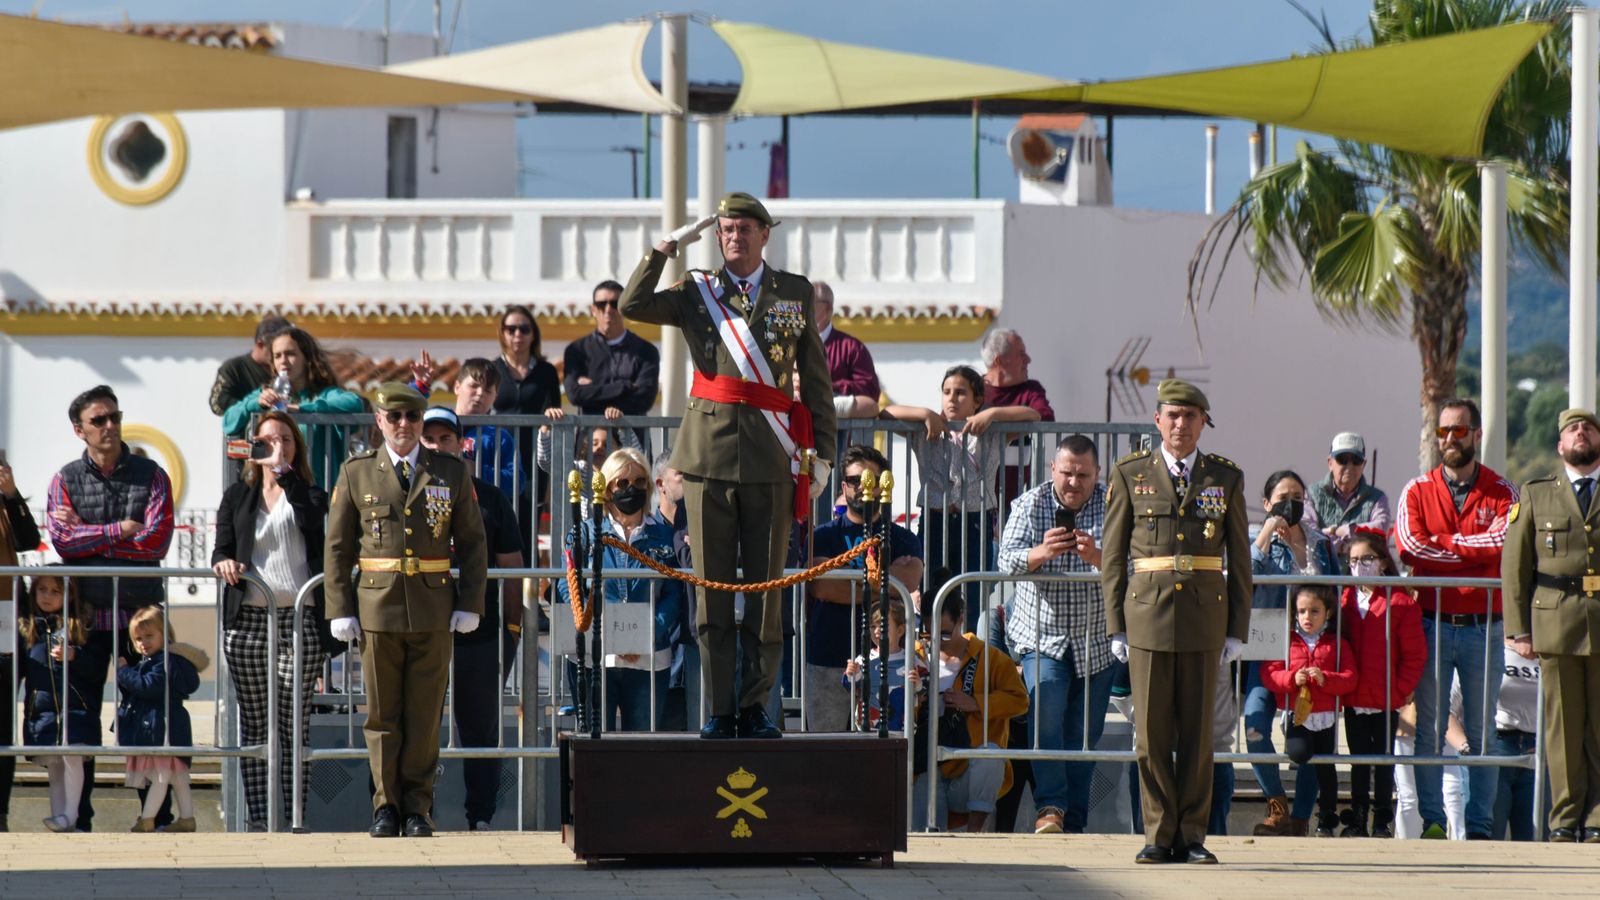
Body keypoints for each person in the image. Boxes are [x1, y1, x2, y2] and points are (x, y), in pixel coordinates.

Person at [621, 191, 836, 740]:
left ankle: (758, 707)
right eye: (725, 230)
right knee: (710, 594)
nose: (733, 237)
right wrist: (662, 250)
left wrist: (823, 456)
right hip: (708, 457)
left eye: (744, 228)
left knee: (766, 596)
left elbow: (814, 379)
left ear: (766, 234)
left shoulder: (793, 291)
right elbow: (632, 307)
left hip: (770, 456)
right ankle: (719, 709)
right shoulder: (697, 290)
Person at [324, 382, 488, 838]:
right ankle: (386, 806)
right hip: (377, 608)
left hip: (434, 607)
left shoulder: (450, 472)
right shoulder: (357, 472)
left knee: (424, 714)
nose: (403, 425)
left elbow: (474, 544)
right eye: (394, 417)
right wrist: (340, 606)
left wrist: (470, 602)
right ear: (379, 420)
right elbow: (337, 548)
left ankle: (418, 807)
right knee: (381, 716)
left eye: (412, 418)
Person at [1102, 378, 1250, 865]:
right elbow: (1114, 555)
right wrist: (1115, 625)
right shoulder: (1131, 473)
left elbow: (1240, 559)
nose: (1181, 424)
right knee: (1151, 736)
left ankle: (1192, 836)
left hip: (1204, 619)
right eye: (1173, 415)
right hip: (1146, 616)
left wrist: (1236, 628)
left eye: (1190, 416)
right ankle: (1157, 834)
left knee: (1198, 736)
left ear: (1203, 422)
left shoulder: (1224, 477)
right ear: (1158, 420)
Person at [47, 384, 174, 831]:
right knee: (80, 713)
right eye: (98, 420)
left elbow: (157, 540)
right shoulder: (64, 478)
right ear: (79, 430)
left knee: (147, 715)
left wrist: (91, 533)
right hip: (84, 619)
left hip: (139, 617)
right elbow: (62, 542)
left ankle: (156, 817)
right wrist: (120, 529)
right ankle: (77, 818)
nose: (109, 426)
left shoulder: (152, 473)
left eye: (114, 417)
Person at [1396, 397, 1516, 840]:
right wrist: (1471, 549)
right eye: (1442, 432)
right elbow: (1410, 547)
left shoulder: (1505, 492)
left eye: (1459, 431)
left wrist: (1445, 544)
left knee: (1484, 728)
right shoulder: (1416, 489)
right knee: (1428, 725)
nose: (1449, 439)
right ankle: (1432, 821)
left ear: (1476, 435)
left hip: (1486, 626)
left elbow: (1506, 543)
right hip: (1431, 622)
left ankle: (1480, 825)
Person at [211, 409, 336, 830]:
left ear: (296, 447)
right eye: (268, 439)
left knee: (292, 722)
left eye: (285, 439)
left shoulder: (310, 493)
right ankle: (261, 819)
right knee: (255, 725)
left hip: (298, 620)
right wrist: (223, 563)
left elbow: (313, 523)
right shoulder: (237, 496)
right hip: (248, 620)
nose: (277, 445)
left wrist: (284, 475)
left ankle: (295, 817)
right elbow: (220, 548)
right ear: (253, 447)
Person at [997, 434, 1113, 835]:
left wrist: (1098, 556)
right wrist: (1039, 554)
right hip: (1042, 636)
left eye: (1083, 474)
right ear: (1053, 470)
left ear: (1097, 474)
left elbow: (1137, 563)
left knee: (1084, 736)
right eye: (1067, 473)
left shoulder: (1115, 505)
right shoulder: (1029, 504)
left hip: (1095, 640)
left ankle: (1073, 822)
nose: (1074, 483)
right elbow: (1003, 561)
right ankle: (1051, 807)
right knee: (1045, 717)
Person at [418, 406, 526, 829]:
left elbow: (513, 569)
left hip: (481, 636)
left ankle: (479, 817)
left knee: (480, 731)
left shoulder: (492, 497)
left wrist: (512, 632)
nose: (437, 446)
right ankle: (415, 810)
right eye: (429, 438)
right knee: (418, 727)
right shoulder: (404, 496)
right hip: (421, 630)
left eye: (445, 438)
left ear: (461, 445)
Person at [1502, 406, 1600, 843]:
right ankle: (1564, 818)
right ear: (1560, 445)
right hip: (1555, 619)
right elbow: (1515, 566)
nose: (1581, 433)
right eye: (1572, 429)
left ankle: (1597, 819)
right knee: (1562, 728)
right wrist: (1518, 629)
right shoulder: (1537, 493)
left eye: (1589, 428)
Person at [883, 364, 1040, 625]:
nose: (952, 399)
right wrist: (925, 413)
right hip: (934, 522)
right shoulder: (927, 429)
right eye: (947, 392)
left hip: (975, 524)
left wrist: (993, 414)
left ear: (977, 399)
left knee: (973, 595)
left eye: (960, 393)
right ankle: (931, 654)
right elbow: (885, 413)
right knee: (931, 594)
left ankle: (969, 652)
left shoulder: (989, 432)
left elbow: (1033, 415)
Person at [555, 448, 686, 731]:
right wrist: (600, 630)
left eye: (639, 482)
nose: (631, 489)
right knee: (594, 749)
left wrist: (647, 633)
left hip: (650, 659)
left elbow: (674, 595)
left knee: (641, 752)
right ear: (608, 487)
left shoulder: (665, 536)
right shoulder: (585, 533)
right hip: (593, 659)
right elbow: (568, 585)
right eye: (622, 483)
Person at [1245, 469, 1338, 837]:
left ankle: (1300, 817)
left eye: (1298, 497)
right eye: (1283, 497)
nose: (1291, 504)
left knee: (1310, 733)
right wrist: (1267, 534)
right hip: (1266, 646)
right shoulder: (1255, 537)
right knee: (1255, 726)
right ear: (1267, 503)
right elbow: (1244, 575)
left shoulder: (1319, 542)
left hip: (1311, 652)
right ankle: (1276, 804)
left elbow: (1333, 592)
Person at [804, 445, 923, 732]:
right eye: (854, 480)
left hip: (887, 663)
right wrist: (884, 580)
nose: (861, 487)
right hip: (828, 657)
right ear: (844, 486)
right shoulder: (822, 536)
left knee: (878, 752)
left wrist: (844, 578)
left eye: (870, 479)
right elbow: (821, 587)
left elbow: (908, 581)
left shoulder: (903, 538)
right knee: (825, 750)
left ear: (884, 484)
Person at [912, 591, 1029, 832]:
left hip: (968, 773)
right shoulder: (915, 656)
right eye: (928, 632)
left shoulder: (991, 658)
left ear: (961, 619)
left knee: (991, 755)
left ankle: (974, 835)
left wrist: (976, 703)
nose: (936, 640)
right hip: (926, 768)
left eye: (944, 632)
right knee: (925, 836)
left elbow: (1020, 702)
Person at [1338, 526, 1425, 839]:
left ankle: (1381, 821)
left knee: (1385, 762)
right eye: (1353, 560)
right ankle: (1358, 818)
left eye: (1367, 559)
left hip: (1386, 698)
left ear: (1383, 562)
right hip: (1354, 697)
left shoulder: (1400, 603)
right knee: (1359, 761)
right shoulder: (1345, 600)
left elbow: (1414, 655)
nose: (1359, 566)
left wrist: (1399, 691)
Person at [1263, 584, 1357, 838]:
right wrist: (1292, 678)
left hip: (1326, 716)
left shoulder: (1336, 643)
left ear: (1327, 613)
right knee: (1301, 753)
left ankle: (1326, 817)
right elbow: (1270, 674)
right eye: (1302, 611)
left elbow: (1350, 677)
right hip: (1298, 714)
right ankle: (1296, 810)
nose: (1307, 617)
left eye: (1314, 611)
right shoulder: (1287, 640)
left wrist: (1326, 678)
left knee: (1327, 768)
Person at [222, 326, 366, 484]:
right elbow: (229, 422)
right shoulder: (267, 394)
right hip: (276, 496)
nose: (283, 361)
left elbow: (354, 403)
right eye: (277, 356)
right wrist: (255, 404)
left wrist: (304, 410)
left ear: (307, 358)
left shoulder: (324, 394)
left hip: (317, 496)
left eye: (290, 354)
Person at [116, 606, 208, 833]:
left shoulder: (162, 661)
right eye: (138, 638)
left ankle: (147, 819)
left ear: (165, 634)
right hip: (170, 725)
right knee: (178, 776)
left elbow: (149, 687)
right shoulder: (167, 661)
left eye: (149, 636)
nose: (143, 643)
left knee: (160, 775)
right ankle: (187, 818)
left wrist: (124, 672)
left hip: (160, 726)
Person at [19, 570, 97, 832]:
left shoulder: (79, 626)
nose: (48, 596)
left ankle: (70, 815)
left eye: (55, 591)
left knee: (72, 758)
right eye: (42, 590)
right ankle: (60, 818)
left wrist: (75, 655)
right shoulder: (28, 627)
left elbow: (95, 669)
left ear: (68, 594)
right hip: (42, 711)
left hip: (74, 708)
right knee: (54, 767)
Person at [0, 454, 41, 832]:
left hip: (5, 623)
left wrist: (11, 496)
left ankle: (1, 813)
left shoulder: (5, 504)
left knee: (1, 721)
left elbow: (31, 540)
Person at [564, 280, 661, 419]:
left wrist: (592, 390)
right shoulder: (577, 350)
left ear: (624, 308)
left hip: (631, 437)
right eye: (601, 304)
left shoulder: (646, 351)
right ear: (593, 310)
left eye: (615, 304)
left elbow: (644, 400)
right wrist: (624, 386)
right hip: (590, 438)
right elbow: (575, 395)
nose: (608, 310)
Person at [1308, 432, 1392, 560]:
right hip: (1322, 577)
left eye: (1356, 460)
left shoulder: (1377, 499)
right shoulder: (1311, 495)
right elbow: (1309, 535)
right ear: (1330, 463)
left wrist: (1335, 531)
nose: (1349, 466)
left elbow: (1379, 531)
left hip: (1361, 578)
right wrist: (1345, 546)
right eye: (1342, 460)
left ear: (1363, 464)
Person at [843, 598, 918, 730]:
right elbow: (850, 686)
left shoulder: (911, 659)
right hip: (867, 729)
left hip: (902, 730)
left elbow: (926, 687)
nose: (876, 631)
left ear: (900, 630)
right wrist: (852, 673)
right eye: (872, 626)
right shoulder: (863, 659)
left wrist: (918, 684)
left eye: (882, 626)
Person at [1492, 641, 1541, 841]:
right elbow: (1452, 709)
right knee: (1491, 831)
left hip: (1538, 747)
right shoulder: (1493, 651)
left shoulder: (1545, 654)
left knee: (1533, 835)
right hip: (1499, 743)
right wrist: (1467, 747)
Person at [811, 280, 880, 418]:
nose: (803, 307)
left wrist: (832, 386)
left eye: (810, 302)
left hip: (840, 433)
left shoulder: (852, 347)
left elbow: (870, 390)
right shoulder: (792, 343)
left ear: (828, 309)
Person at [210, 314, 291, 417]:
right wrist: (255, 405)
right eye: (275, 350)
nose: (282, 357)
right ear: (260, 344)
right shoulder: (233, 368)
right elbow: (217, 404)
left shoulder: (287, 370)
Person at [978, 327, 1055, 421]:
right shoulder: (974, 390)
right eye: (1021, 354)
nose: (1028, 360)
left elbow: (1046, 416)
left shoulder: (1030, 389)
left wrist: (994, 414)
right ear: (999, 360)